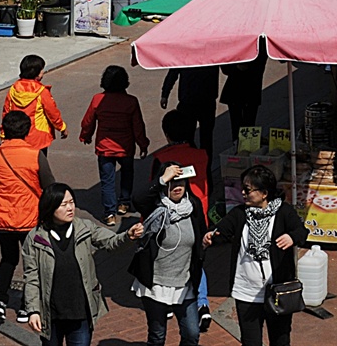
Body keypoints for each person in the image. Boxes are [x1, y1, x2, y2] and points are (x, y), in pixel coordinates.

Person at [22, 182, 139, 346]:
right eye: (64, 204)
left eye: (71, 202)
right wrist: (33, 310)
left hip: (80, 312)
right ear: (50, 207)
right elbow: (32, 277)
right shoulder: (35, 239)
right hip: (51, 315)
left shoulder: (85, 228)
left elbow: (111, 241)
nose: (70, 208)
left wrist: (128, 236)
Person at [203, 166, 309, 346]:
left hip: (277, 291)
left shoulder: (284, 212)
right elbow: (222, 232)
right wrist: (212, 236)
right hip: (246, 292)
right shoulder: (239, 213)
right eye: (242, 188)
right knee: (250, 342)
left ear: (264, 193)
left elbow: (302, 231)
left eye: (248, 189)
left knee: (280, 340)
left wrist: (291, 237)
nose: (243, 193)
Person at [0, 110, 56, 326]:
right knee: (32, 262)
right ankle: (27, 306)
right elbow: (49, 186)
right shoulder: (36, 155)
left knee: (8, 259)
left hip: (2, 217)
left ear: (4, 131)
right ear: (28, 131)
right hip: (29, 218)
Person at [130, 163, 208, 346]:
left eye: (180, 182)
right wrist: (162, 178)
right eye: (171, 183)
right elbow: (138, 198)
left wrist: (207, 241)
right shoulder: (154, 205)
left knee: (191, 333)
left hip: (184, 282)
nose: (177, 187)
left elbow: (202, 234)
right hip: (156, 283)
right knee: (157, 335)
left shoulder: (193, 205)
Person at [150, 110, 213, 332]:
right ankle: (202, 304)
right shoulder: (202, 154)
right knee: (197, 260)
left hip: (171, 219)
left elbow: (153, 190)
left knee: (169, 259)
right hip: (199, 216)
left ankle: (167, 303)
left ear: (166, 134)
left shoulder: (161, 159)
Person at [81, 65, 149, 226]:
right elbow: (138, 126)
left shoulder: (98, 99)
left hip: (105, 147)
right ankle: (124, 203)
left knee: (107, 181)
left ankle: (109, 213)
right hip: (126, 146)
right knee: (127, 174)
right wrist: (143, 144)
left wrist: (86, 136)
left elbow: (88, 121)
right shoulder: (131, 101)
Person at [4, 54, 69, 153]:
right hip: (38, 139)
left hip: (16, 137)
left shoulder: (13, 89)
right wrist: (62, 127)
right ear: (37, 73)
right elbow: (53, 113)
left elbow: (6, 112)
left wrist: (3, 133)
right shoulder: (42, 92)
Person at [159, 67, 219, 164]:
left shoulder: (185, 53)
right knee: (203, 139)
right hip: (201, 101)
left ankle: (196, 164)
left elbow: (173, 73)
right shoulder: (210, 53)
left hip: (193, 100)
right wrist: (165, 94)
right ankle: (203, 167)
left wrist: (165, 94)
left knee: (192, 139)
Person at [220, 57, 267, 144]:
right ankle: (239, 147)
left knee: (248, 125)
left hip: (251, 91)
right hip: (236, 92)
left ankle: (246, 147)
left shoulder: (260, 48)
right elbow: (225, 68)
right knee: (237, 126)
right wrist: (236, 67)